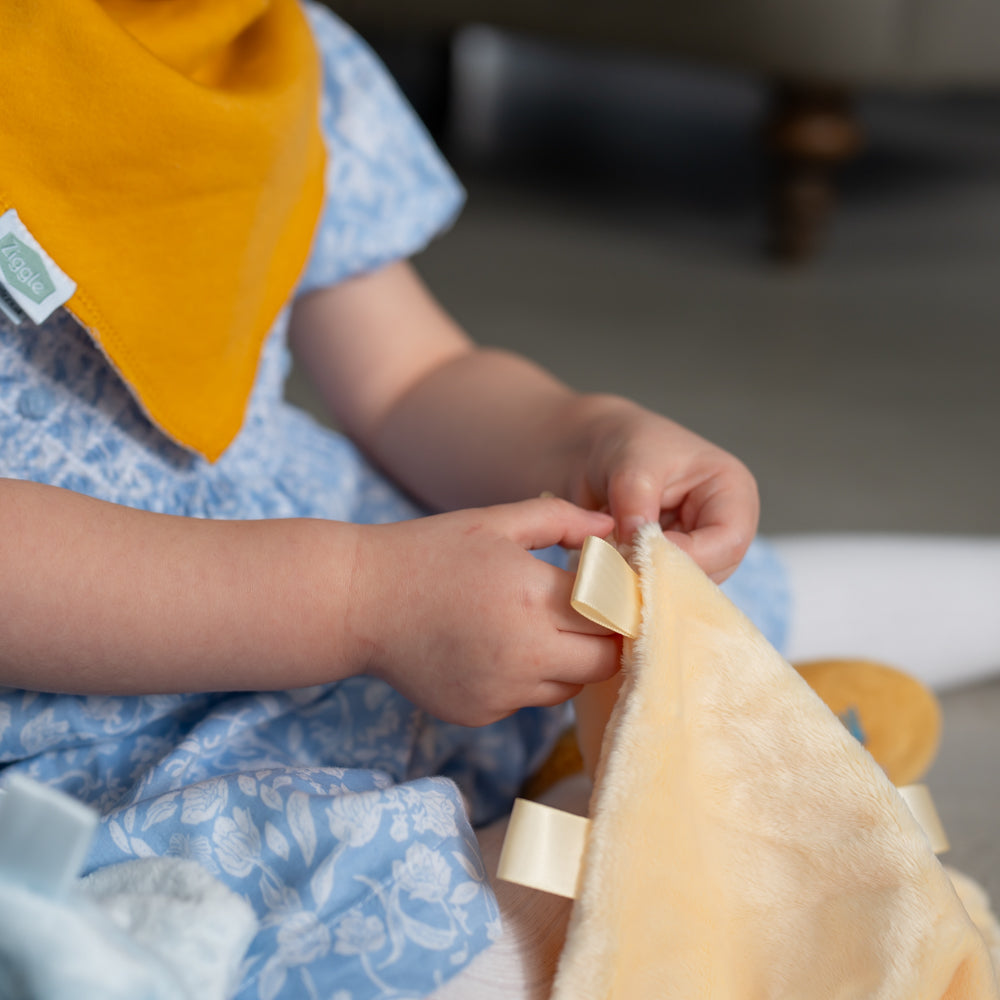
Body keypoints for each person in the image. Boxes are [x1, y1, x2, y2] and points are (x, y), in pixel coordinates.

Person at [1, 2, 996, 999]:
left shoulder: (264, 50)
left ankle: (658, 766)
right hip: (87, 701)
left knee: (680, 600)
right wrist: (353, 601)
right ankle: (642, 811)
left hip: (350, 569)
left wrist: (585, 436)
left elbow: (411, 376)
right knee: (317, 922)